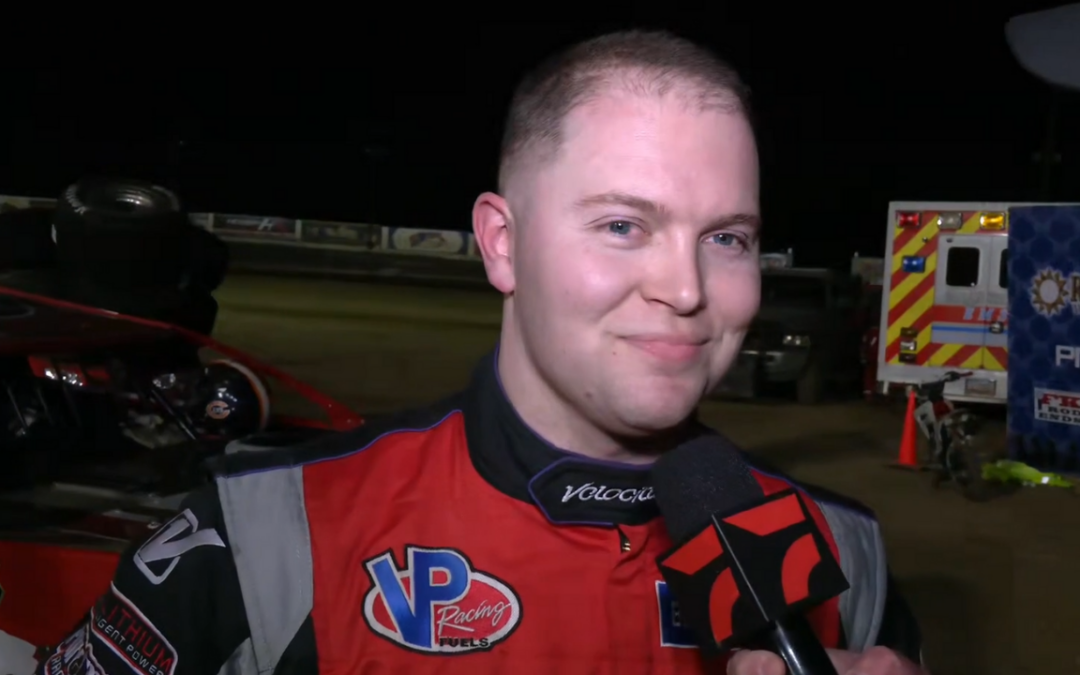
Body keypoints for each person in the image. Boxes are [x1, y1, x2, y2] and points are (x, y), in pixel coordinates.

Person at [36, 31, 927, 675]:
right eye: (623, 225)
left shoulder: (846, 554)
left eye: (727, 238)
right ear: (502, 244)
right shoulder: (266, 537)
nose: (687, 288)